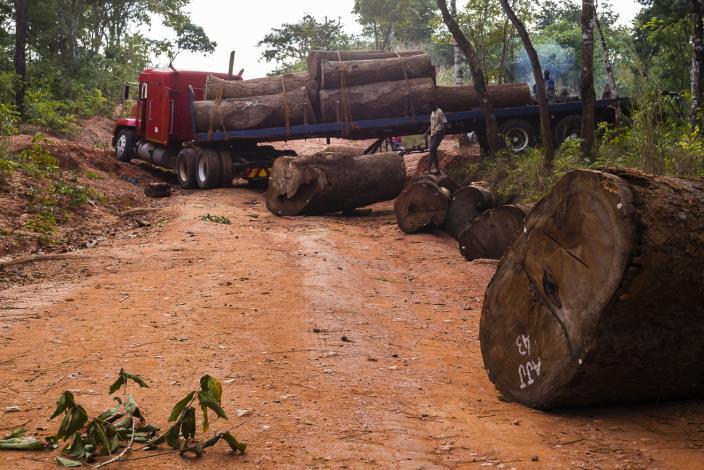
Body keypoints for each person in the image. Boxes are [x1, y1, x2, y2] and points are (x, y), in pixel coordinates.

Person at [425, 102, 447, 175]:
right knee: (433, 151)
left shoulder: (439, 112)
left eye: (430, 107)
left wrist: (441, 132)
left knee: (432, 149)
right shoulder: (432, 113)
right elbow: (431, 124)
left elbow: (445, 122)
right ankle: (438, 170)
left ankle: (428, 169)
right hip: (433, 133)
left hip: (438, 133)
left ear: (433, 105)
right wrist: (426, 132)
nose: (429, 109)